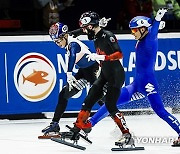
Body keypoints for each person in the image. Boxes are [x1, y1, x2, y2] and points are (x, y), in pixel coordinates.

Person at [88, 8, 180, 146]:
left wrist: (158, 19)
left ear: (143, 29)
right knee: (110, 103)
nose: (132, 33)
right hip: (137, 85)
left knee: (160, 111)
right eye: (131, 30)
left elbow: (153, 30)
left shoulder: (150, 38)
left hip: (148, 84)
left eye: (134, 30)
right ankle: (88, 125)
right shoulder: (143, 37)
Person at [71, 11, 134, 147]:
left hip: (116, 76)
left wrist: (103, 58)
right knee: (88, 100)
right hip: (105, 74)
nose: (84, 30)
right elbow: (74, 34)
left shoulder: (107, 36)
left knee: (110, 105)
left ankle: (127, 135)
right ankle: (79, 128)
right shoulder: (95, 34)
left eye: (86, 27)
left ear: (92, 26)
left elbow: (120, 54)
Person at [41, 22, 103, 137]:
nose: (58, 44)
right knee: (63, 94)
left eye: (59, 41)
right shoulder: (69, 36)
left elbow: (72, 56)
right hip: (84, 72)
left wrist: (69, 73)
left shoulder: (73, 44)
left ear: (64, 36)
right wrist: (92, 27)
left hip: (93, 70)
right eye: (55, 42)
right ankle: (55, 123)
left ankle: (119, 124)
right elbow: (82, 30)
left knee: (101, 100)